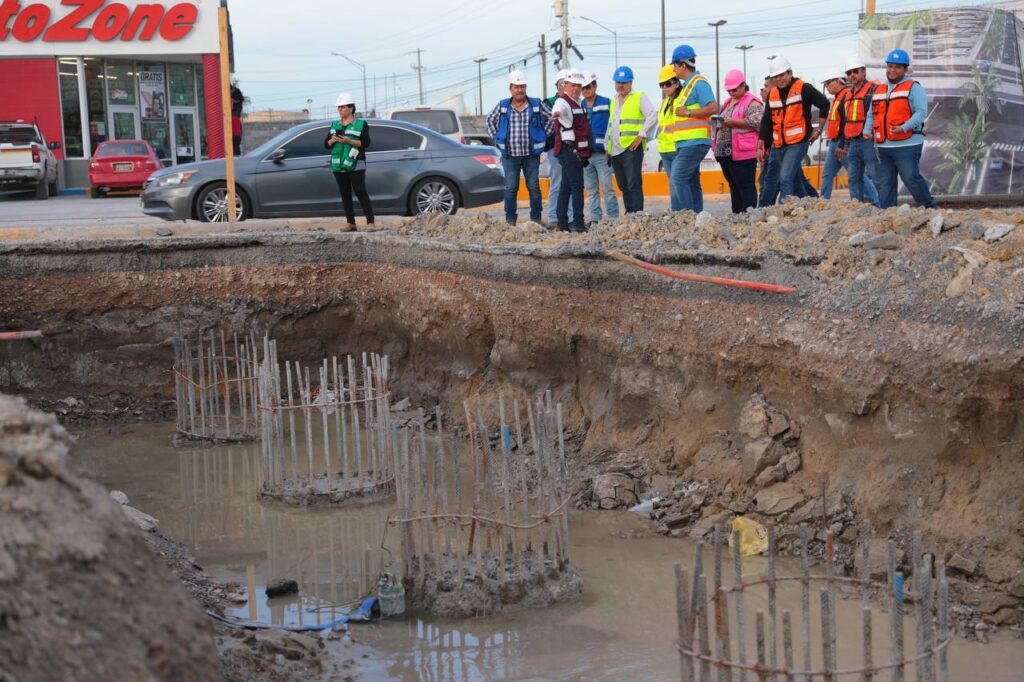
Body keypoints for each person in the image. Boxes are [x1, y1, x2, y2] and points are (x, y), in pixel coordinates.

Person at [865, 49, 937, 209]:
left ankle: (930, 207)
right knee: (885, 183)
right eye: (890, 66)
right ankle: (887, 214)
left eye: (897, 67)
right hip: (883, 146)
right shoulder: (879, 89)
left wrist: (904, 127)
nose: (892, 70)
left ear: (905, 69)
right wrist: (867, 130)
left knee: (911, 178)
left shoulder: (914, 87)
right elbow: (871, 113)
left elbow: (921, 113)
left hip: (907, 145)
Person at [757, 56, 829, 203]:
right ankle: (809, 202)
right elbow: (766, 121)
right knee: (786, 179)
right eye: (776, 76)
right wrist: (760, 144)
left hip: (798, 143)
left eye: (782, 75)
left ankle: (786, 209)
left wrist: (819, 130)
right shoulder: (773, 94)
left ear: (790, 72)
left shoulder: (804, 88)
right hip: (778, 145)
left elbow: (824, 104)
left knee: (785, 177)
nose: (779, 79)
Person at [486, 70, 553, 225]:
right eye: (516, 86)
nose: (520, 90)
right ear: (511, 88)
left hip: (531, 155)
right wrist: (497, 138)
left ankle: (535, 219)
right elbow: (489, 120)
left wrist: (544, 136)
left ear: (525, 87)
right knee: (511, 188)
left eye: (522, 86)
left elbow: (550, 120)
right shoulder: (503, 106)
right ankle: (510, 220)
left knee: (534, 187)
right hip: (510, 155)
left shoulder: (536, 105)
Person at [669, 45, 717, 213]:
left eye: (674, 65)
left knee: (678, 178)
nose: (673, 69)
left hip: (695, 142)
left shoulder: (699, 84)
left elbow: (712, 108)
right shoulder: (688, 86)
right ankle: (697, 217)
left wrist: (688, 112)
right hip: (687, 143)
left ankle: (688, 216)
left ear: (683, 65)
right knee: (691, 181)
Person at [608, 65, 658, 213]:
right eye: (618, 82)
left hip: (631, 148)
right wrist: (608, 147)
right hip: (616, 149)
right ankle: (629, 212)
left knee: (633, 183)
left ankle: (637, 214)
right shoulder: (614, 101)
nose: (620, 85)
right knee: (623, 184)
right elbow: (611, 126)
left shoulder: (639, 96)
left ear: (631, 83)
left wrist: (641, 134)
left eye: (624, 82)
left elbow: (652, 115)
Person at [714, 69, 763, 213]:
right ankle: (737, 215)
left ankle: (749, 215)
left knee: (745, 185)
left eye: (734, 89)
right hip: (726, 153)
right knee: (734, 185)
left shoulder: (752, 102)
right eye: (729, 90)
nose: (731, 93)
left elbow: (758, 122)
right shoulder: (728, 102)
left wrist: (734, 122)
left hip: (743, 152)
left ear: (743, 85)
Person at [550, 70, 592, 232]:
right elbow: (559, 109)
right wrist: (557, 114)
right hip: (569, 151)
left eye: (579, 86)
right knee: (577, 187)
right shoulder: (563, 102)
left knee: (566, 188)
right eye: (573, 85)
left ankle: (562, 223)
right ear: (565, 85)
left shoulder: (577, 103)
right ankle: (579, 224)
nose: (576, 88)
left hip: (574, 152)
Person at [324, 93, 373, 230]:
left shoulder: (361, 124)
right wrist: (331, 140)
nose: (340, 110)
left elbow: (366, 143)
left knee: (360, 191)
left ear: (351, 108)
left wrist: (349, 141)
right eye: (339, 107)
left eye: (343, 107)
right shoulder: (334, 125)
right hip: (338, 163)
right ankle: (350, 222)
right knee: (344, 193)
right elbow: (325, 144)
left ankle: (370, 222)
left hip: (355, 161)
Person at [838, 57, 881, 205]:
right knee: (853, 177)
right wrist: (844, 144)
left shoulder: (872, 90)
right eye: (849, 73)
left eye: (855, 71)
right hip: (852, 142)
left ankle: (881, 207)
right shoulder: (848, 94)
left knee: (876, 175)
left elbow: (877, 114)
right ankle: (857, 207)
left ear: (864, 72)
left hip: (868, 140)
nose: (852, 75)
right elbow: (846, 120)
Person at [581, 72, 619, 224]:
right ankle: (595, 219)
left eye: (589, 86)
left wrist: (610, 149)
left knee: (608, 188)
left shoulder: (606, 103)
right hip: (586, 155)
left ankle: (613, 218)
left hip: (602, 154)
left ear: (595, 86)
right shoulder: (580, 106)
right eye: (583, 87)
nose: (586, 90)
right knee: (591, 191)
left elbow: (613, 126)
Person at [545, 70, 573, 225]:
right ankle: (553, 217)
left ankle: (569, 215)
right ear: (558, 86)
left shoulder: (574, 102)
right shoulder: (548, 103)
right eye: (563, 83)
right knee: (557, 181)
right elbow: (548, 125)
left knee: (570, 183)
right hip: (555, 148)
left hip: (572, 148)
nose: (566, 86)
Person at [820, 69, 850, 200]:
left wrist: (843, 144)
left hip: (841, 144)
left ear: (838, 81)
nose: (826, 87)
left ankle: (874, 199)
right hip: (834, 142)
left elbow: (846, 122)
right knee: (827, 174)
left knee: (856, 175)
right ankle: (823, 201)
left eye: (828, 83)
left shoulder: (846, 96)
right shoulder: (837, 98)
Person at [655, 65, 682, 207]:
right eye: (662, 85)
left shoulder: (681, 101)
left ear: (677, 83)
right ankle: (677, 213)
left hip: (677, 149)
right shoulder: (664, 103)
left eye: (668, 83)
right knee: (672, 185)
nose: (665, 87)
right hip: (665, 151)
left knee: (678, 184)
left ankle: (682, 213)